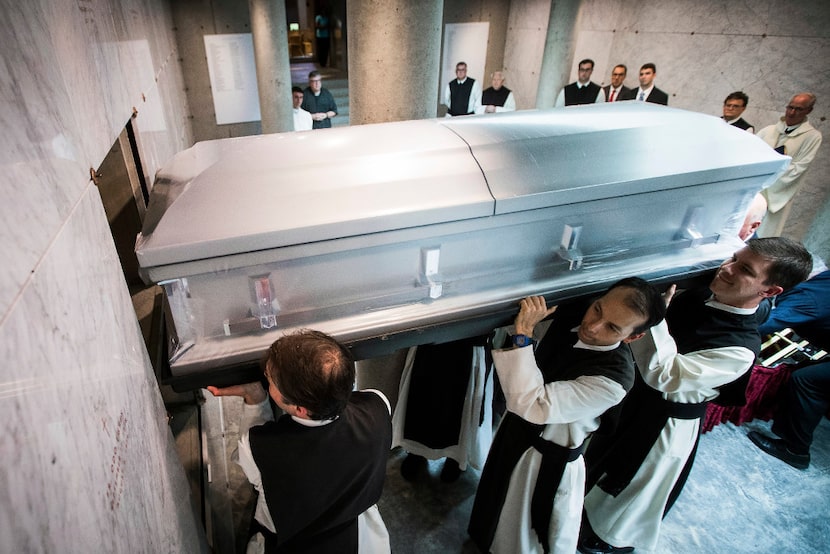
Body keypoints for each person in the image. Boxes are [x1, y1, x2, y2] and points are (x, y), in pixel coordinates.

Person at [579, 237, 813, 554]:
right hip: (634, 399)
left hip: (664, 425)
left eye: (743, 269)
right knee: (594, 465)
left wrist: (652, 313)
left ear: (769, 291)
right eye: (732, 258)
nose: (726, 269)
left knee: (625, 492)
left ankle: (604, 540)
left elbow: (666, 375)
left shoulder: (740, 349)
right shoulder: (706, 292)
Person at [468, 278, 666, 554]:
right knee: (492, 504)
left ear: (633, 337)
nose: (593, 326)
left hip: (548, 458)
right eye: (598, 309)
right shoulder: (577, 313)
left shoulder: (613, 382)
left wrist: (523, 332)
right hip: (517, 433)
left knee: (520, 534)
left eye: (612, 327)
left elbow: (532, 404)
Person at [207, 330, 392, 553]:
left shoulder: (256, 448)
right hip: (357, 525)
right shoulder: (379, 405)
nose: (266, 374)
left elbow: (258, 478)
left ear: (300, 409)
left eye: (271, 380)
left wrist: (255, 399)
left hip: (292, 537)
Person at [748, 268, 830, 469]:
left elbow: (759, 327)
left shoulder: (808, 299)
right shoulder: (820, 283)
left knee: (807, 379)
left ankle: (795, 451)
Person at [392, 336, 493, 483]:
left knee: (460, 406)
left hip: (469, 341)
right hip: (432, 341)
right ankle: (416, 451)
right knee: (422, 398)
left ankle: (455, 457)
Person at [755, 93, 822, 237]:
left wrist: (770, 169)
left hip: (775, 194)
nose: (792, 112)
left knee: (761, 236)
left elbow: (799, 168)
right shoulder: (768, 130)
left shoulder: (812, 137)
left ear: (808, 111)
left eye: (798, 109)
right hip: (753, 190)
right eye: (790, 107)